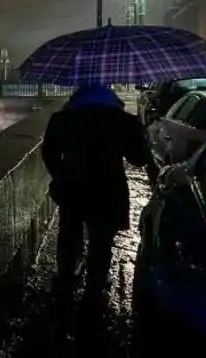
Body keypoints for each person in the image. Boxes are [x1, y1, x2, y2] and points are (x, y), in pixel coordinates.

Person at [41, 84, 158, 297]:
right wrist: (143, 137)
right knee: (102, 243)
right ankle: (95, 287)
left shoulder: (63, 118)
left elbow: (49, 153)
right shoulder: (124, 121)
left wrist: (61, 175)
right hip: (109, 191)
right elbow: (139, 159)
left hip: (73, 189)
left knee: (68, 235)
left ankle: (65, 278)